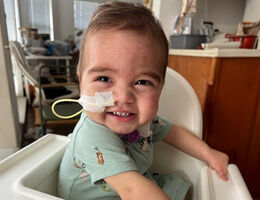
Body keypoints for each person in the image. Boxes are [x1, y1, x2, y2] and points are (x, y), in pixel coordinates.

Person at [58, 1, 229, 200]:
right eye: (104, 79)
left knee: (184, 188)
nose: (122, 98)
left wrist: (209, 154)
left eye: (142, 82)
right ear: (81, 82)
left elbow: (174, 133)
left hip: (140, 182)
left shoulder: (144, 122)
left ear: (160, 87)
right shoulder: (92, 137)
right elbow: (132, 191)